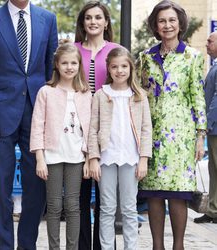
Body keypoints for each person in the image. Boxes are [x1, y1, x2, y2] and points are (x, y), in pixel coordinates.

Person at [0, 0, 58, 249]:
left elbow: (50, 71)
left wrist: (51, 113)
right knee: (0, 187)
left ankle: (27, 245)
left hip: (37, 112)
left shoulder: (48, 19)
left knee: (37, 185)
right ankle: (5, 245)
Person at [138, 1, 207, 249]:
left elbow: (197, 96)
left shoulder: (193, 56)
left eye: (171, 20)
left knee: (178, 194)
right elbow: (141, 95)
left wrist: (200, 135)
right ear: (155, 26)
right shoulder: (145, 58)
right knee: (154, 194)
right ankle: (158, 246)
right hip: (152, 132)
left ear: (180, 25)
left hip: (181, 135)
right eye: (162, 21)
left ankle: (179, 246)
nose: (167, 25)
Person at [88, 47, 152, 249]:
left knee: (129, 208)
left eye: (124, 66)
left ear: (130, 68)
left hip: (131, 158)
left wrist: (143, 158)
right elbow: (92, 128)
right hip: (106, 158)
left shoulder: (139, 95)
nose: (119, 71)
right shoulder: (100, 94)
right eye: (115, 67)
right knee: (106, 208)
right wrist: (93, 158)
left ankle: (130, 247)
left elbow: (146, 129)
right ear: (108, 69)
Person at [30, 42, 92, 250]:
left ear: (79, 65)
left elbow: (91, 129)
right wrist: (40, 158)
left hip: (77, 157)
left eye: (74, 63)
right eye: (64, 63)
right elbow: (37, 125)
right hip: (52, 156)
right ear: (57, 64)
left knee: (73, 206)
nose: (69, 67)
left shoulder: (85, 93)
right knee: (55, 206)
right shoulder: (46, 92)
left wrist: (89, 157)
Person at [74, 2, 120, 249]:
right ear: (82, 23)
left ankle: (105, 246)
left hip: (109, 131)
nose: (93, 22)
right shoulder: (72, 50)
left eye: (98, 17)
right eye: (88, 18)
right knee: (79, 196)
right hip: (77, 130)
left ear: (106, 22)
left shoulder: (117, 50)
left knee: (106, 197)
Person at [194, 31, 217, 224]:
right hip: (213, 126)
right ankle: (213, 210)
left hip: (215, 126)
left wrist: (206, 124)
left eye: (210, 41)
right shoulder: (214, 66)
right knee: (213, 169)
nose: (206, 44)